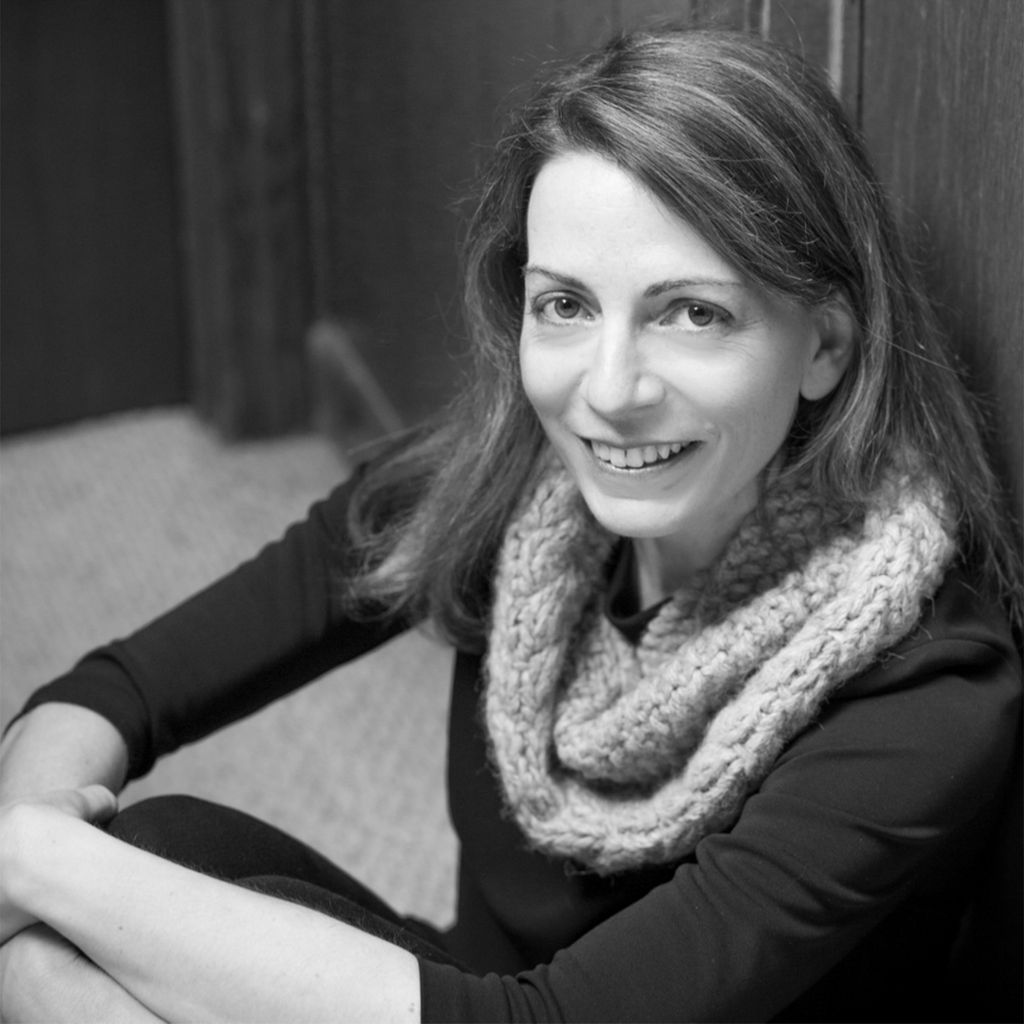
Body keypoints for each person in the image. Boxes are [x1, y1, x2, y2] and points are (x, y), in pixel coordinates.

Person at [1, 26, 1020, 1023]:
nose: (609, 392)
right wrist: (40, 878)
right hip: (474, 999)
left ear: (826, 347)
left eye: (692, 313)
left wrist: (35, 867)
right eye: (566, 304)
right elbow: (117, 693)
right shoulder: (510, 489)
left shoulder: (924, 684)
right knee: (155, 855)